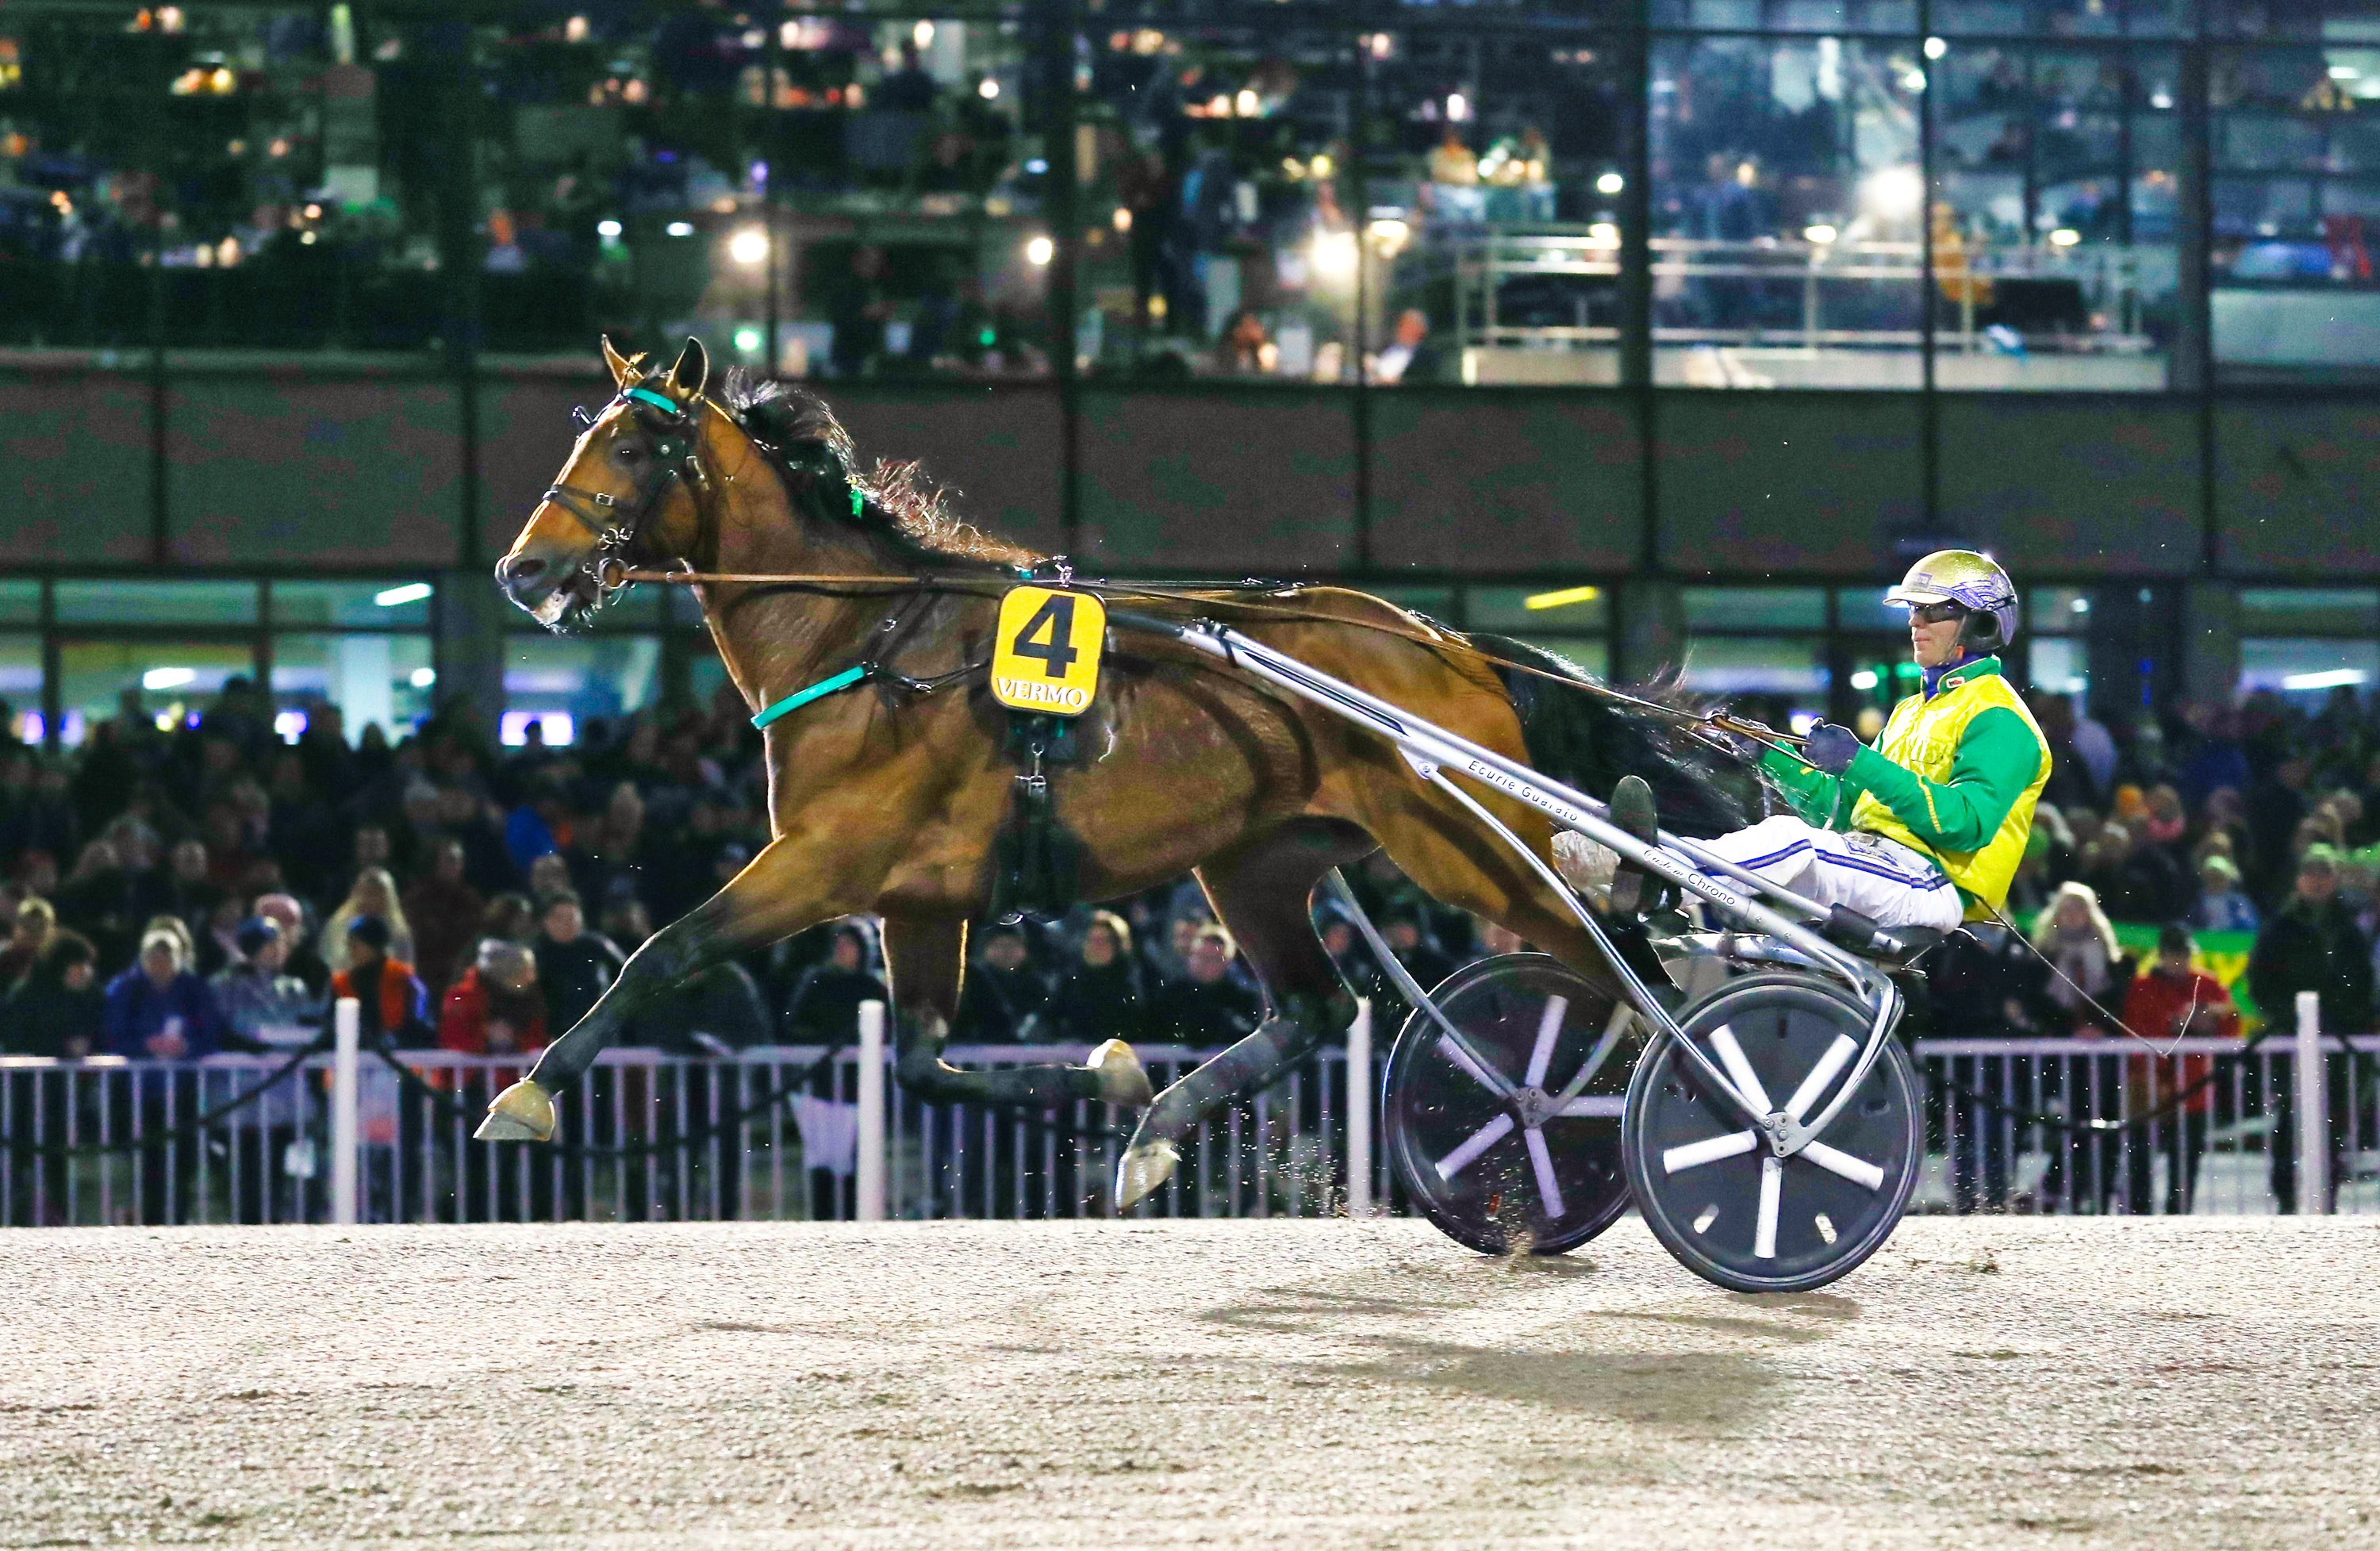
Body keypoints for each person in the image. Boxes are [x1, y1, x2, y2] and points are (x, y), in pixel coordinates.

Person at [1578, 551, 2051, 942]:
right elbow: (1846, 812)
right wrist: (1770, 757)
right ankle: (1630, 865)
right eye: (1913, 610)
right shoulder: (1912, 711)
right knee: (1749, 888)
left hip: (1933, 886)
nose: (1915, 622)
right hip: (1872, 864)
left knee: (1790, 840)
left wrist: (1858, 761)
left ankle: (1659, 879)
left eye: (1933, 611)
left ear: (1981, 624)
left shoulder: (2000, 720)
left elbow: (1964, 825)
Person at [2251, 844, 2371, 1215]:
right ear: (2299, 880)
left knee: (2332, 1122)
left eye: (2325, 874)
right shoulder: (2280, 928)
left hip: (2335, 1041)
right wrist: (2292, 1017)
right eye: (2311, 874)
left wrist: (2337, 1018)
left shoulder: (2348, 930)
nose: (2317, 882)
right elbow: (2260, 983)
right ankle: (2287, 1200)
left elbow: (2360, 984)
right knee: (2288, 1120)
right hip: (2289, 1038)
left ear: (2335, 880)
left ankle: (2328, 1198)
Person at [2120, 922, 2240, 1216]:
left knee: (2186, 1161)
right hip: (2148, 1084)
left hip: (2193, 1086)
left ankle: (2179, 1215)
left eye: (2183, 954)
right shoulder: (2142, 986)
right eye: (2173, 954)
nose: (2178, 960)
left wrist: (2211, 1019)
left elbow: (2231, 1024)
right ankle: (2139, 1214)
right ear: (2160, 955)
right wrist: (2176, 1023)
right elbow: (2135, 1028)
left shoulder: (2208, 984)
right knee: (2141, 1158)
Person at [104, 927, 226, 1061]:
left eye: (167, 958)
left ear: (179, 960)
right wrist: (145, 1045)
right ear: (143, 959)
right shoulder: (125, 989)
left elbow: (212, 1034)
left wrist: (186, 1046)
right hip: (137, 1075)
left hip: (186, 1074)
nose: (160, 965)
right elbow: (113, 1036)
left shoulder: (196, 990)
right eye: (154, 958)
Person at [209, 917, 317, 1049]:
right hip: (240, 1065)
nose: (278, 949)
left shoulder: (294, 987)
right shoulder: (224, 985)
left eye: (281, 942)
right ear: (251, 948)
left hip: (287, 1063)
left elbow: (305, 1028)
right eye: (270, 944)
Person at [1150, 924, 1263, 1045]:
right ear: (1190, 956)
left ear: (1228, 962)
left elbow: (1247, 1034)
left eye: (1215, 959)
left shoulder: (1243, 999)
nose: (1206, 964)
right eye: (1201, 957)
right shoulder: (1171, 995)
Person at [403, 838, 486, 998]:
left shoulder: (471, 899)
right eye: (449, 860)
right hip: (424, 976)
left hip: (461, 977)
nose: (455, 866)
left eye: (459, 860)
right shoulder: (417, 899)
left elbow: (476, 938)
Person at [329, 916, 432, 1045]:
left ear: (375, 945)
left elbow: (421, 1026)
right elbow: (330, 1027)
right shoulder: (341, 984)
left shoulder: (405, 980)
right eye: (350, 944)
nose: (351, 950)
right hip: (352, 1054)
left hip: (401, 1055)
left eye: (356, 944)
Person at [440, 939, 548, 1060]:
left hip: (517, 1074)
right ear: (505, 973)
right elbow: (452, 1039)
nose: (532, 978)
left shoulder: (530, 998)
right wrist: (485, 1034)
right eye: (524, 971)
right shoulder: (462, 997)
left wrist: (517, 1038)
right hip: (470, 1075)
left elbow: (537, 1038)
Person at [535, 889, 624, 1035]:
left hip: (600, 1028)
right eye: (559, 918)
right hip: (551, 1033)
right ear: (545, 921)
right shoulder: (535, 955)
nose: (566, 924)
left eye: (572, 917)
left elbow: (628, 977)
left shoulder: (599, 947)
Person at [1045, 911, 1142, 1043]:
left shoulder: (1133, 982)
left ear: (1118, 945)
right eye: (1092, 940)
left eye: (1104, 941)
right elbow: (1052, 1020)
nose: (1096, 946)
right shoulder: (1069, 981)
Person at [783, 920, 889, 1041]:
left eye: (848, 944)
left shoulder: (873, 987)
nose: (841, 949)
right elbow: (795, 1024)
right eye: (838, 944)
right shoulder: (817, 981)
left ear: (862, 949)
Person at [4, 929, 103, 1058]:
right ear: (60, 966)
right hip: (31, 1076)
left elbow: (101, 1038)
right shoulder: (26, 996)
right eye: (79, 965)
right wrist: (64, 1048)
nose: (86, 972)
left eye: (88, 965)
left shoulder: (92, 997)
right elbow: (14, 1042)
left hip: (73, 1077)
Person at [323, 866, 415, 977]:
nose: (373, 900)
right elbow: (330, 963)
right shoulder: (339, 926)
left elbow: (406, 970)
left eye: (378, 894)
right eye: (369, 893)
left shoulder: (399, 933)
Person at [2191, 853, 2260, 933]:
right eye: (2211, 879)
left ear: (2228, 880)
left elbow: (2251, 925)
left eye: (2219, 879)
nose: (2215, 883)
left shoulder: (2238, 901)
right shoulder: (2199, 901)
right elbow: (2190, 924)